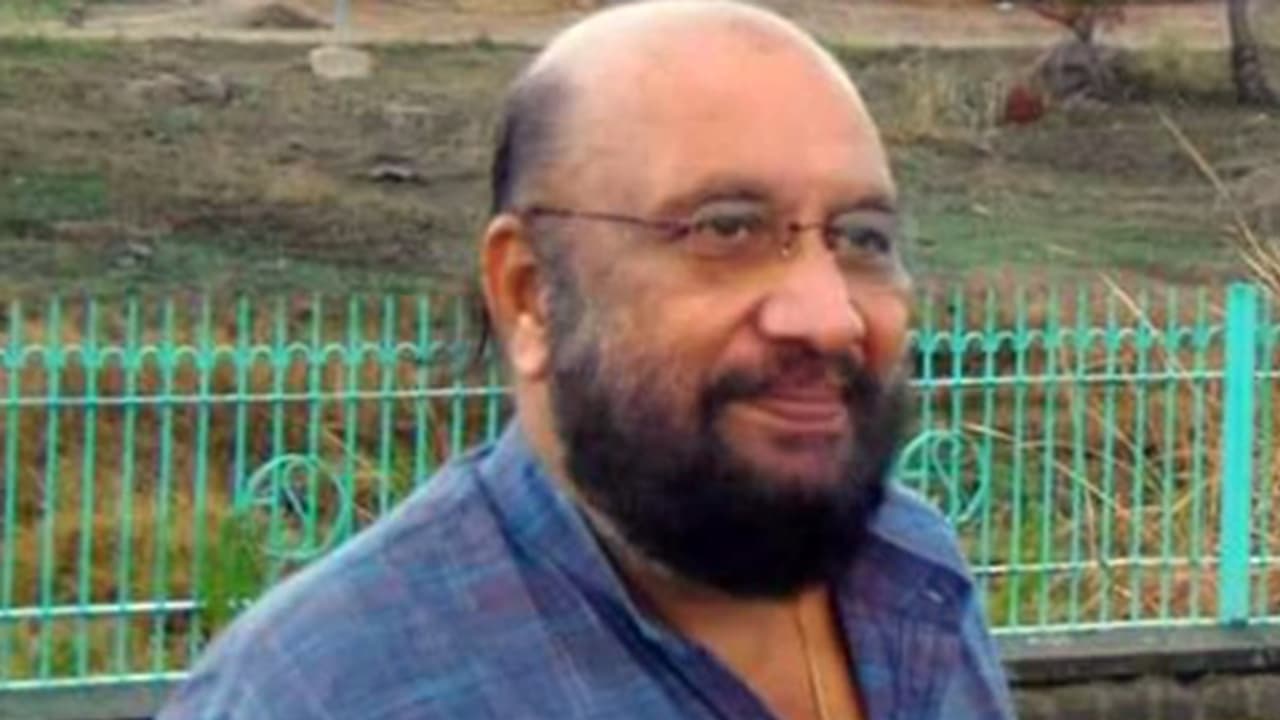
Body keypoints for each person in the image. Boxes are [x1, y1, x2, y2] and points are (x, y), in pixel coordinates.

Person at [158, 1, 1015, 718]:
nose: (829, 318)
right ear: (529, 292)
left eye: (862, 239)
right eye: (726, 229)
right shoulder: (321, 692)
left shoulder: (915, 573)